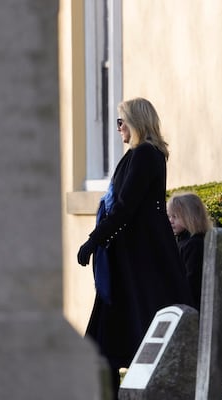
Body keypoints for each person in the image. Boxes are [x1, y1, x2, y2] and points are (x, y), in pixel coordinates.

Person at [77, 97, 193, 399]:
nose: (118, 128)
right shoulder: (139, 155)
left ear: (136, 122)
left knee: (136, 326)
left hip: (140, 259)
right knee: (110, 334)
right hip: (130, 256)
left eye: (121, 121)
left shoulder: (145, 155)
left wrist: (94, 239)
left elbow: (126, 207)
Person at [167, 192, 213, 310]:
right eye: (169, 216)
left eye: (175, 216)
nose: (170, 220)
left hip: (189, 307)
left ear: (190, 216)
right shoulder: (181, 241)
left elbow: (192, 282)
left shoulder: (194, 244)